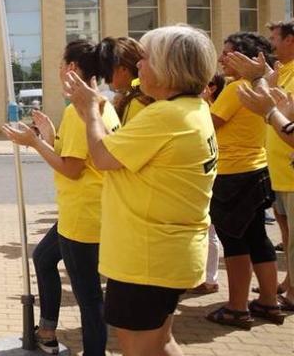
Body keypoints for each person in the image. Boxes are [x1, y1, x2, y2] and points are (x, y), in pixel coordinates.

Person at [65, 25, 217, 356]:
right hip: (168, 252)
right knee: (161, 342)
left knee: (139, 347)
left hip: (148, 257)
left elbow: (103, 157)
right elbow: (119, 152)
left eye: (145, 59)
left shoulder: (165, 115)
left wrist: (90, 111)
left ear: (168, 69)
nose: (138, 66)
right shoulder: (191, 108)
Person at [4, 40, 119, 356]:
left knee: (90, 298)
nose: (57, 70)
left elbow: (71, 169)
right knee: (42, 258)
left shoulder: (80, 111)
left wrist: (34, 143)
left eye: (60, 64)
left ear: (72, 69)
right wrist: (49, 137)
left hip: (83, 219)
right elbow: (75, 157)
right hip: (80, 214)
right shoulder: (99, 104)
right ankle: (47, 332)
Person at [202, 32, 283, 328]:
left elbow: (210, 123)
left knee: (235, 243)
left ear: (245, 59)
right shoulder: (259, 85)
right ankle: (268, 302)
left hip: (232, 174)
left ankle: (237, 307)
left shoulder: (236, 86)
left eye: (228, 53)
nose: (222, 59)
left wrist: (199, 103)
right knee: (258, 239)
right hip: (257, 170)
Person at [231, 19, 294, 312]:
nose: (271, 45)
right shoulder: (283, 71)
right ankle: (288, 284)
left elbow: (285, 120)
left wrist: (270, 111)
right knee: (285, 236)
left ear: (291, 40)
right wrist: (261, 76)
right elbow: (272, 95)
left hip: (284, 172)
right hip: (279, 171)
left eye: (276, 38)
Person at [190, 73, 226, 296]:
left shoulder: (209, 109)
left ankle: (210, 279)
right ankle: (204, 277)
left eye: (208, 84)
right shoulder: (203, 107)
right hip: (207, 173)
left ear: (212, 88)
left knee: (209, 230)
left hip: (211, 173)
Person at [97, 37, 153, 124]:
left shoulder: (136, 103)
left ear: (123, 69)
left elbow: (116, 138)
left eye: (108, 72)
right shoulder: (146, 95)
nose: (106, 80)